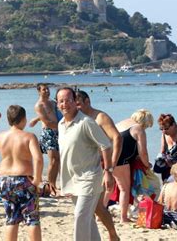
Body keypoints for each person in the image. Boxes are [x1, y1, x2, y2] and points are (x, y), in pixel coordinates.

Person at [57, 87, 114, 241]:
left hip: (90, 178)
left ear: (75, 101)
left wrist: (108, 171)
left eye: (68, 100)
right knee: (87, 220)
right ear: (57, 104)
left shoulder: (86, 122)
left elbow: (106, 145)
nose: (65, 104)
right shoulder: (61, 124)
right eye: (61, 101)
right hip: (72, 179)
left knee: (80, 217)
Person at [0, 105, 43, 241]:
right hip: (24, 179)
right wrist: (37, 179)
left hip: (6, 180)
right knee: (32, 219)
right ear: (23, 119)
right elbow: (38, 158)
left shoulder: (0, 137)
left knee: (11, 219)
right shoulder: (29, 136)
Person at [75, 90, 120, 240]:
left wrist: (111, 166)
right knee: (89, 207)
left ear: (87, 101)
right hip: (84, 166)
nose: (77, 107)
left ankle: (113, 235)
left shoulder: (100, 117)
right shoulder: (77, 118)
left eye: (79, 103)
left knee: (97, 207)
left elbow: (117, 138)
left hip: (101, 165)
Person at [110, 109, 154, 223]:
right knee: (124, 189)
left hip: (108, 157)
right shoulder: (138, 129)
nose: (145, 129)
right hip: (121, 160)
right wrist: (147, 164)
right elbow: (143, 152)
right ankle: (123, 218)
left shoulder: (122, 123)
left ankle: (99, 214)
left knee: (108, 188)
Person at [29, 83, 60, 194]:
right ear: (39, 92)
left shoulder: (52, 102)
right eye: (44, 89)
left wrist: (36, 119)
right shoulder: (39, 105)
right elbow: (47, 122)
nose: (46, 91)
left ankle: (53, 184)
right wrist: (62, 125)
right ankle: (50, 186)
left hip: (58, 132)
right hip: (48, 133)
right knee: (53, 159)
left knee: (57, 160)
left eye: (47, 89)